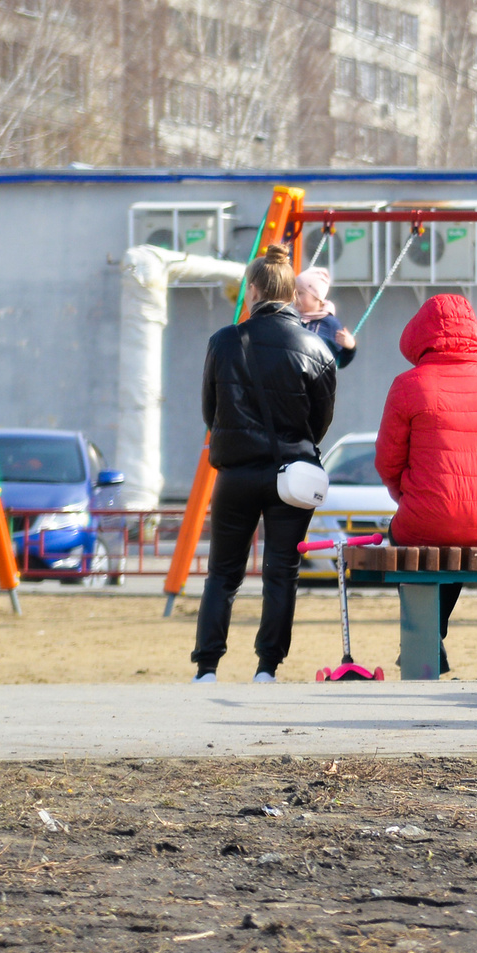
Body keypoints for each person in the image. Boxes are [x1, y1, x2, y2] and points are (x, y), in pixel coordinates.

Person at [190, 252, 337, 683]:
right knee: (282, 572)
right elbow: (320, 422)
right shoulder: (317, 349)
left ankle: (207, 667)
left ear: (252, 291)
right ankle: (267, 667)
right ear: (292, 294)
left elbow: (209, 411)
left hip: (235, 474)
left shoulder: (223, 341)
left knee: (222, 572)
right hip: (291, 475)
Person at [374, 292, 477, 672]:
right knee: (460, 535)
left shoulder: (408, 384)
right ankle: (435, 634)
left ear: (420, 334)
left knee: (426, 532)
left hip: (431, 514)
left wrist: (407, 493)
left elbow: (388, 460)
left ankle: (428, 636)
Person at [293, 268, 357, 368]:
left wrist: (349, 348)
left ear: (316, 296)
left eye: (300, 293)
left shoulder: (330, 324)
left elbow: (340, 362)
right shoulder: (292, 318)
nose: (294, 297)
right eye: (294, 292)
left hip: (317, 379)